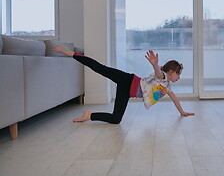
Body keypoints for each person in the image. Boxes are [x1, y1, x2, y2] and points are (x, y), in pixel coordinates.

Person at [51, 45, 194, 124]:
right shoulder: (162, 77)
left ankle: (89, 115)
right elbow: (158, 72)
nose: (179, 77)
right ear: (170, 71)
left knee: (116, 119)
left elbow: (174, 98)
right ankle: (68, 52)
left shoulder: (167, 86)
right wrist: (155, 65)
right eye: (178, 74)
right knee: (99, 67)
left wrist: (182, 112)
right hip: (128, 80)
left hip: (127, 91)